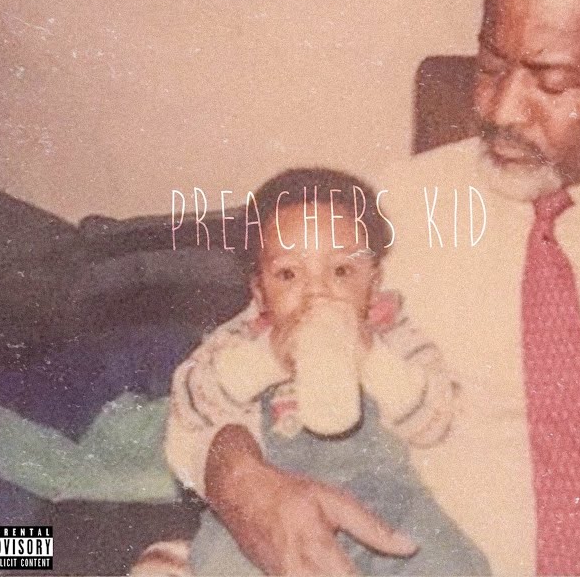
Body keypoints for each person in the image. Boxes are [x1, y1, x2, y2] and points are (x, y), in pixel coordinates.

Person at [197, 0, 580, 576]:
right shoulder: (391, 208)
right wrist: (237, 479)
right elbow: (226, 370)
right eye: (489, 67)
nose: (500, 109)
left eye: (551, 82)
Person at [164, 168, 491, 576]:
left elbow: (436, 419)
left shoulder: (392, 333)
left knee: (451, 563)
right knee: (219, 561)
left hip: (390, 503)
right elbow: (189, 402)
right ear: (259, 291)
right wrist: (267, 358)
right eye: (288, 274)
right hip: (274, 507)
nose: (316, 292)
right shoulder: (243, 339)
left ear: (374, 282)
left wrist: (370, 357)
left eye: (340, 271)